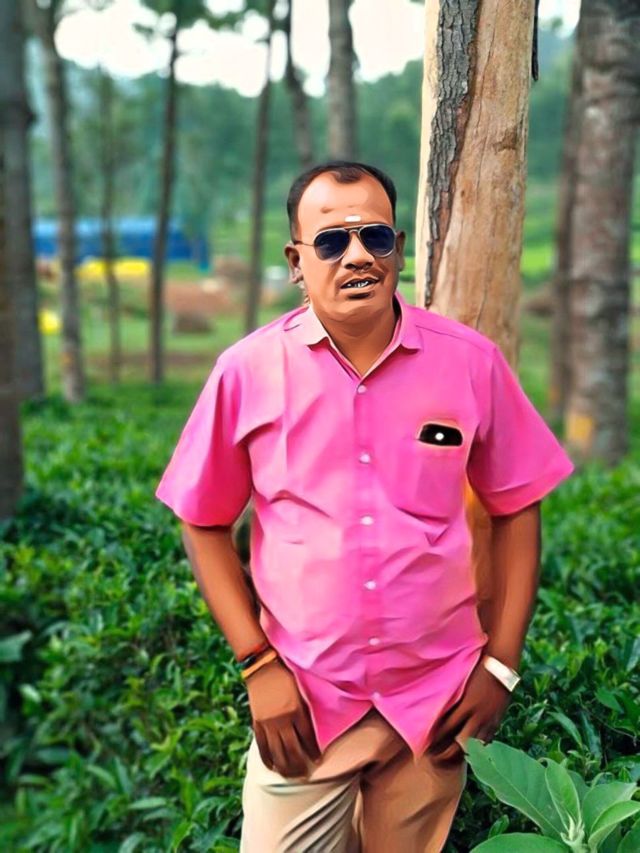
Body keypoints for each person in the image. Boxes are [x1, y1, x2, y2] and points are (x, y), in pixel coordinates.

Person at [155, 160, 576, 852]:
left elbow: (517, 508)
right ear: (296, 261)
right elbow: (202, 520)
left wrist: (500, 666)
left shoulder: (469, 363)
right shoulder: (247, 371)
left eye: (374, 237)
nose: (357, 256)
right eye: (331, 241)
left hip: (437, 706)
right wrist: (258, 665)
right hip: (306, 704)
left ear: (398, 249)